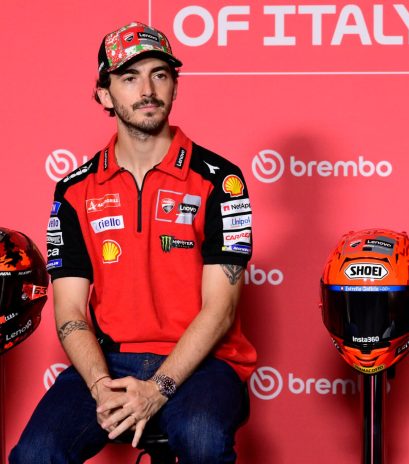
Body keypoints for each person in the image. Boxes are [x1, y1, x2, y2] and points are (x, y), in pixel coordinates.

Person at [11, 21, 255, 464]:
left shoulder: (221, 181)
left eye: (160, 75)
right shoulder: (74, 190)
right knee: (35, 453)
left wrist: (157, 389)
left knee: (201, 438)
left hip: (205, 364)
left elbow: (220, 310)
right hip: (110, 361)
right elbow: (69, 311)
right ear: (104, 95)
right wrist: (100, 385)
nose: (147, 90)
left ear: (175, 86)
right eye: (129, 77)